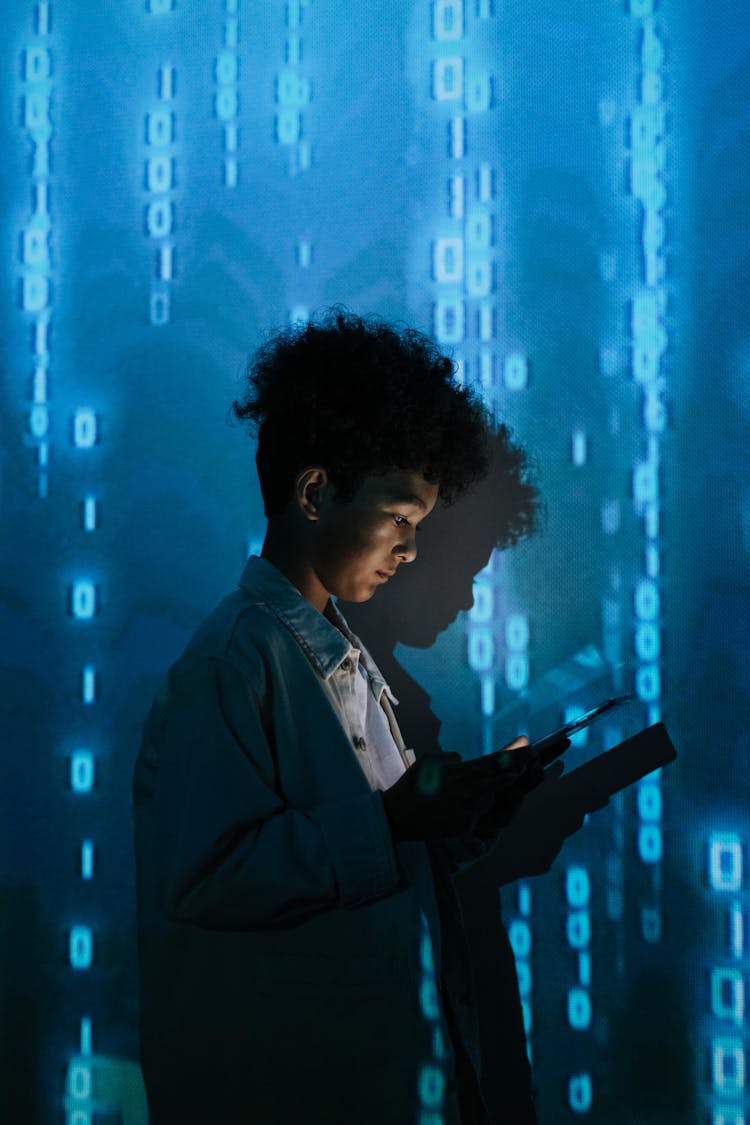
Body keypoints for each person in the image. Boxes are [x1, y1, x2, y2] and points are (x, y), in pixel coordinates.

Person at [132, 310, 544, 1125]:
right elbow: (206, 874)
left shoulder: (345, 665)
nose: (412, 551)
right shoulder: (231, 665)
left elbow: (371, 845)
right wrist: (397, 821)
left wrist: (461, 816)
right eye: (400, 519)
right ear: (316, 491)